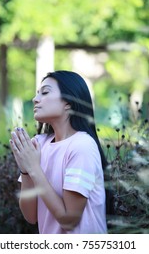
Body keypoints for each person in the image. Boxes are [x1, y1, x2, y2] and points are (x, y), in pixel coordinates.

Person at [9, 70, 107, 234]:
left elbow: (69, 220)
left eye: (45, 92)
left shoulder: (82, 146)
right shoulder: (39, 144)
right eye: (37, 94)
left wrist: (33, 168)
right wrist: (25, 171)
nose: (35, 99)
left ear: (68, 102)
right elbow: (30, 216)